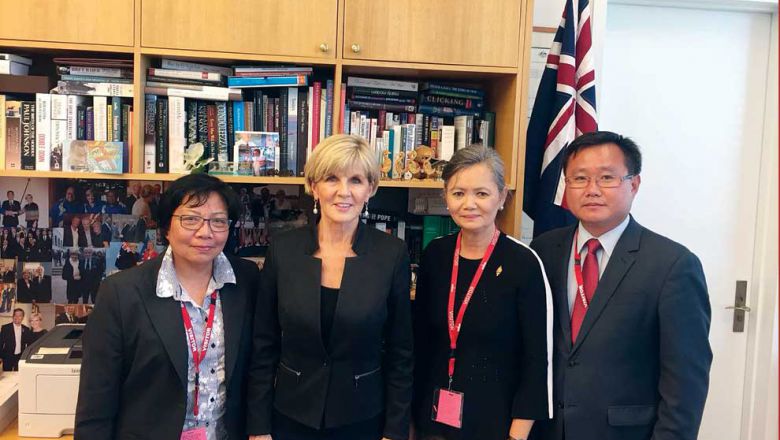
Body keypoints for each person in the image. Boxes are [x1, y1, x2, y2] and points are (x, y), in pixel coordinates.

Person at [528, 131, 712, 440]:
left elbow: (686, 382)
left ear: (634, 185)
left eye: (607, 178)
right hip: (548, 430)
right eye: (580, 179)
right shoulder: (544, 250)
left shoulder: (673, 265)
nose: (592, 190)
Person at [247, 134, 413, 440]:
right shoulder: (283, 250)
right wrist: (258, 427)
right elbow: (263, 344)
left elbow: (401, 352)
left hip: (364, 417)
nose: (343, 192)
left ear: (371, 189)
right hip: (290, 415)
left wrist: (395, 430)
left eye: (356, 180)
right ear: (313, 186)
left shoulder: (392, 254)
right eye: (331, 178)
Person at [75, 173, 260, 439]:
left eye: (218, 221)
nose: (205, 232)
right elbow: (96, 401)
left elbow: (258, 369)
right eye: (190, 219)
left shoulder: (246, 281)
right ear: (166, 226)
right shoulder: (121, 293)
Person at [411, 145, 552, 440]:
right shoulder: (435, 255)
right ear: (445, 198)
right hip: (433, 422)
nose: (469, 204)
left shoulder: (523, 263)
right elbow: (421, 344)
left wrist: (517, 435)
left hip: (497, 425)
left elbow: (537, 361)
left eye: (482, 193)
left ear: (502, 197)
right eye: (458, 193)